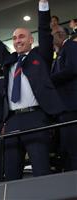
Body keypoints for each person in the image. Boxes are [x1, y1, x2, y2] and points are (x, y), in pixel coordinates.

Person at [0, 0, 64, 181]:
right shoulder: (8, 60)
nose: (18, 40)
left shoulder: (40, 56)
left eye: (22, 36)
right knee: (11, 175)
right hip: (11, 121)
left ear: (30, 40)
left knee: (42, 172)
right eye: (15, 38)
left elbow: (44, 30)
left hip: (36, 118)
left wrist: (43, 4)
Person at [51, 21, 77, 171]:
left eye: (51, 36)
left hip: (72, 106)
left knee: (73, 149)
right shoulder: (60, 52)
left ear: (60, 35)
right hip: (64, 108)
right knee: (66, 149)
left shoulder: (72, 47)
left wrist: (48, 80)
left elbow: (73, 69)